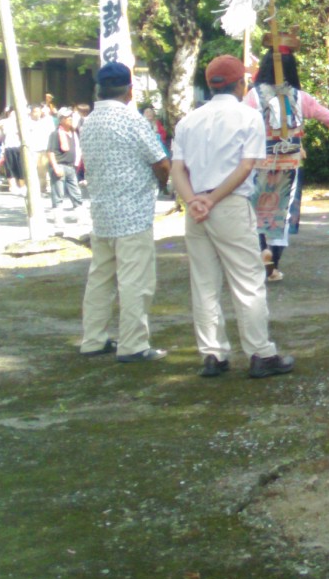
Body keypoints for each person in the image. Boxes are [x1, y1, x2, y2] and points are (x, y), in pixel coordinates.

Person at [170, 55, 294, 378]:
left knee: (204, 282)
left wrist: (193, 201)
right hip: (228, 204)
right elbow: (246, 166)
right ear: (241, 84)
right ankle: (260, 353)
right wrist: (212, 199)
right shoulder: (248, 117)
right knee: (247, 280)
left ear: (210, 84)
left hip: (196, 208)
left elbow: (177, 169)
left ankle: (212, 354)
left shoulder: (188, 121)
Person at [78, 62, 172, 363]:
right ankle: (133, 344)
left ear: (99, 90)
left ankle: (93, 339)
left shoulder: (88, 122)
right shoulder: (132, 120)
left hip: (102, 212)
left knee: (100, 279)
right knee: (135, 282)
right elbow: (161, 162)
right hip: (132, 213)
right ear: (129, 91)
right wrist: (163, 184)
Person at [244, 47, 329, 280]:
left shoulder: (253, 96)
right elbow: (325, 115)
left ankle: (262, 250)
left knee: (257, 210)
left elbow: (239, 124)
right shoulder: (300, 97)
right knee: (282, 212)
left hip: (259, 162)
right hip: (290, 164)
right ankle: (274, 262)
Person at [45, 107, 84, 221]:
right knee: (58, 193)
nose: (70, 119)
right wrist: (55, 167)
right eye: (67, 117)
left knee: (76, 192)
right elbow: (50, 152)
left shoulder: (74, 133)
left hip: (71, 167)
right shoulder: (55, 134)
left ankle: (81, 216)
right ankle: (58, 218)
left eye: (71, 117)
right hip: (59, 165)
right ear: (61, 119)